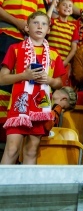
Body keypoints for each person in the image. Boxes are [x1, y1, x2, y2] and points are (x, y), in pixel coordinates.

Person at [0, 11, 65, 164]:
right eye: (35, 23)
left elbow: (59, 83)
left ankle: (26, 188)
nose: (39, 26)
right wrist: (24, 76)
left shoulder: (54, 54)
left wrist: (49, 80)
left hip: (40, 108)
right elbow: (2, 79)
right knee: (12, 149)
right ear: (27, 28)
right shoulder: (15, 48)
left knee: (31, 150)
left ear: (48, 30)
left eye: (44, 24)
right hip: (19, 106)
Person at [0, 0, 47, 124]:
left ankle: (11, 122)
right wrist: (18, 23)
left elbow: (40, 16)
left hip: (27, 42)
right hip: (6, 35)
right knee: (3, 79)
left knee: (19, 83)